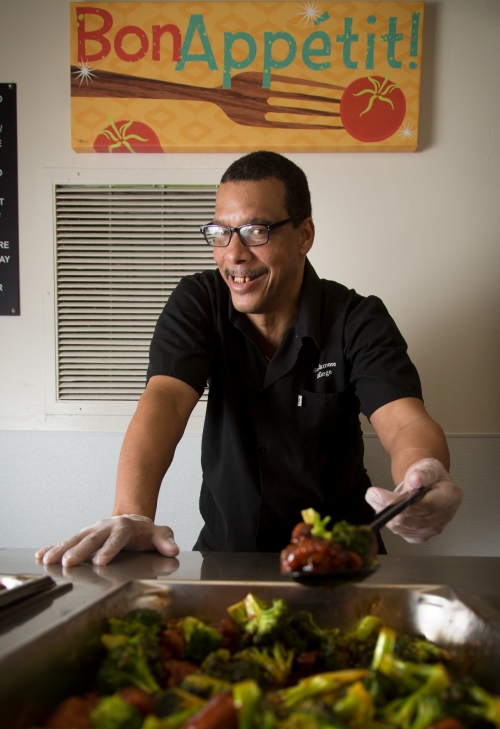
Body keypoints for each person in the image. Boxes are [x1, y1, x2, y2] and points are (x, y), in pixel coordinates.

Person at [36, 151, 462, 567]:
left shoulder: (356, 318)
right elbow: (164, 400)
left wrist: (422, 475)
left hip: (341, 560)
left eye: (256, 231)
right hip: (227, 557)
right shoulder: (199, 302)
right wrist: (132, 512)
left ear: (304, 235)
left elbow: (405, 420)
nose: (233, 253)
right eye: (220, 232)